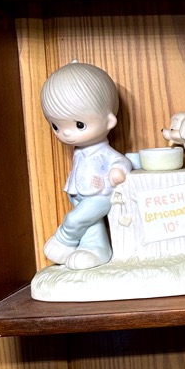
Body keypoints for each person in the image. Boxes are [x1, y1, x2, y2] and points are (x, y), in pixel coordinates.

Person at [40, 60, 132, 269]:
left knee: (75, 220)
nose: (66, 133)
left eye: (79, 125)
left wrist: (118, 170)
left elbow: (121, 160)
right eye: (56, 126)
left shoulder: (103, 152)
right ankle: (95, 249)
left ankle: (64, 240)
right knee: (91, 224)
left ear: (109, 121)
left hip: (101, 195)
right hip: (78, 193)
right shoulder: (79, 150)